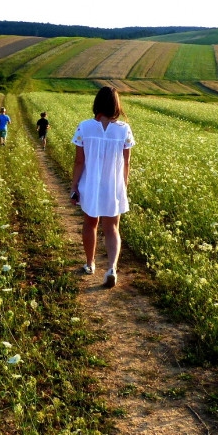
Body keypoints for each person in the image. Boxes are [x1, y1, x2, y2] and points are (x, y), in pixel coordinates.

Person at [70, 87, 135, 288]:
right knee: (113, 228)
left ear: (97, 103)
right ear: (116, 105)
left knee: (90, 224)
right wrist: (123, 186)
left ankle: (90, 264)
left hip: (90, 184)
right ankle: (112, 268)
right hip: (113, 185)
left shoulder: (84, 127)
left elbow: (79, 162)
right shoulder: (124, 129)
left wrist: (74, 186)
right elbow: (126, 163)